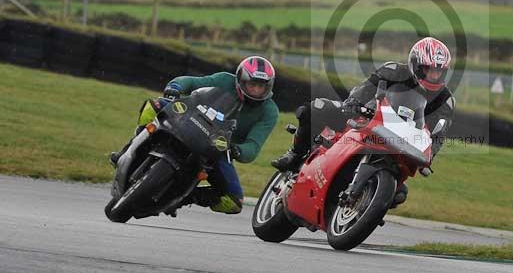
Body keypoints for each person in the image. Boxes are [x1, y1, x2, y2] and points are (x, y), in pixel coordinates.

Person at [271, 37, 456, 207]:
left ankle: (363, 205)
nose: (434, 75)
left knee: (398, 194)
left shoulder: (445, 100)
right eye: (429, 69)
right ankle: (295, 154)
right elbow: (365, 88)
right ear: (415, 64)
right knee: (315, 108)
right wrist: (353, 103)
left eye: (438, 71)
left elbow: (437, 134)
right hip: (367, 118)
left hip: (401, 142)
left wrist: (429, 156)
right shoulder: (392, 70)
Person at [112, 56, 279, 214]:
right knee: (153, 105)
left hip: (218, 149)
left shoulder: (269, 111)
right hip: (190, 120)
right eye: (252, 85)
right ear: (241, 80)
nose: (256, 90)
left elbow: (254, 146)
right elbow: (192, 82)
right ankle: (128, 150)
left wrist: (237, 150)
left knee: (233, 203)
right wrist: (175, 88)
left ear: (269, 87)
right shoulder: (224, 80)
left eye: (261, 86)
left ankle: (183, 197)